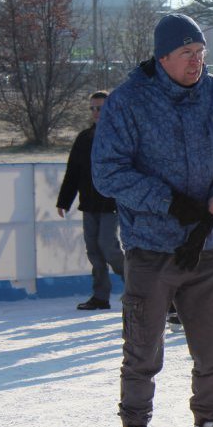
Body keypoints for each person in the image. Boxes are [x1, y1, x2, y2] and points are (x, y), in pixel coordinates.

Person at [92, 13, 213, 427]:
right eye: (187, 54)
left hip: (206, 247)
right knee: (142, 352)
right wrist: (168, 201)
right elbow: (107, 172)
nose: (196, 62)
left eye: (202, 53)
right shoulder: (128, 101)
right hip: (150, 249)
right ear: (162, 56)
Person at [56, 90, 125, 311]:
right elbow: (73, 172)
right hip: (89, 204)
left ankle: (138, 288)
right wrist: (63, 201)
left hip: (112, 204)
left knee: (108, 247)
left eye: (101, 108)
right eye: (93, 108)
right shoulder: (84, 138)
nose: (96, 112)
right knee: (93, 250)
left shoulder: (120, 136)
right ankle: (100, 296)